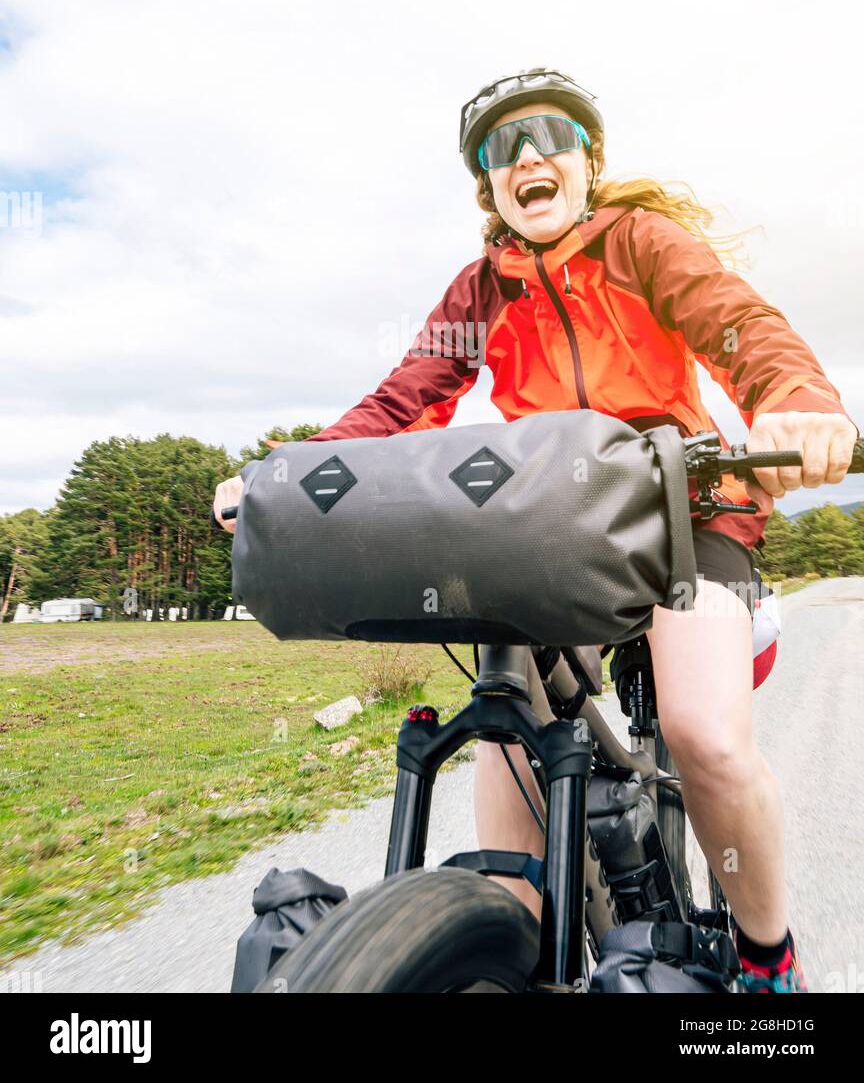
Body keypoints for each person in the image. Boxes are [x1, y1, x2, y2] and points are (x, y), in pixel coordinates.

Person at [213, 67, 858, 993]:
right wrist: (288, 475)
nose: (527, 156)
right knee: (508, 724)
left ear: (587, 161)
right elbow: (405, 400)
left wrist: (796, 398)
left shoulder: (641, 242)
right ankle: (513, 943)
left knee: (704, 733)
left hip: (685, 503)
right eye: (500, 148)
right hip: (546, 515)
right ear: (489, 185)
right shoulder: (480, 290)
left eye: (549, 134)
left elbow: (739, 325)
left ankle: (768, 961)